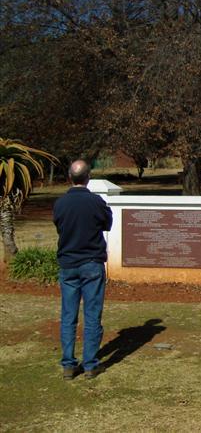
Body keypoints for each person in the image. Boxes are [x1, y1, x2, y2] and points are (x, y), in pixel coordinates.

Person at [53, 160, 113, 380]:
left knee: (68, 315)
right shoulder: (96, 202)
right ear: (88, 177)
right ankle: (90, 364)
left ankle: (68, 364)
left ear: (70, 177)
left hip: (68, 265)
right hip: (91, 263)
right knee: (92, 315)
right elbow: (107, 224)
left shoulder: (60, 203)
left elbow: (59, 226)